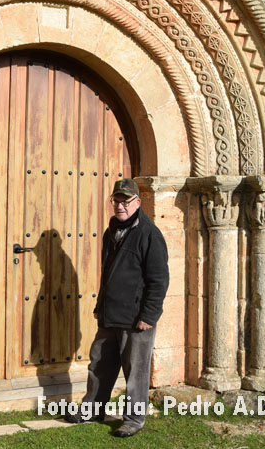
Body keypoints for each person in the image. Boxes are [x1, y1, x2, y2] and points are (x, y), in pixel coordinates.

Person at [65, 178, 169, 437]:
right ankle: (92, 410)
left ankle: (134, 419)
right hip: (110, 314)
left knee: (135, 371)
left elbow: (159, 279)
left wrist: (149, 315)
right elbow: (108, 274)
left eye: (126, 200)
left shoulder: (149, 234)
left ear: (138, 202)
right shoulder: (111, 232)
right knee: (99, 364)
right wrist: (100, 306)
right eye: (117, 200)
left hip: (136, 318)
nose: (121, 206)